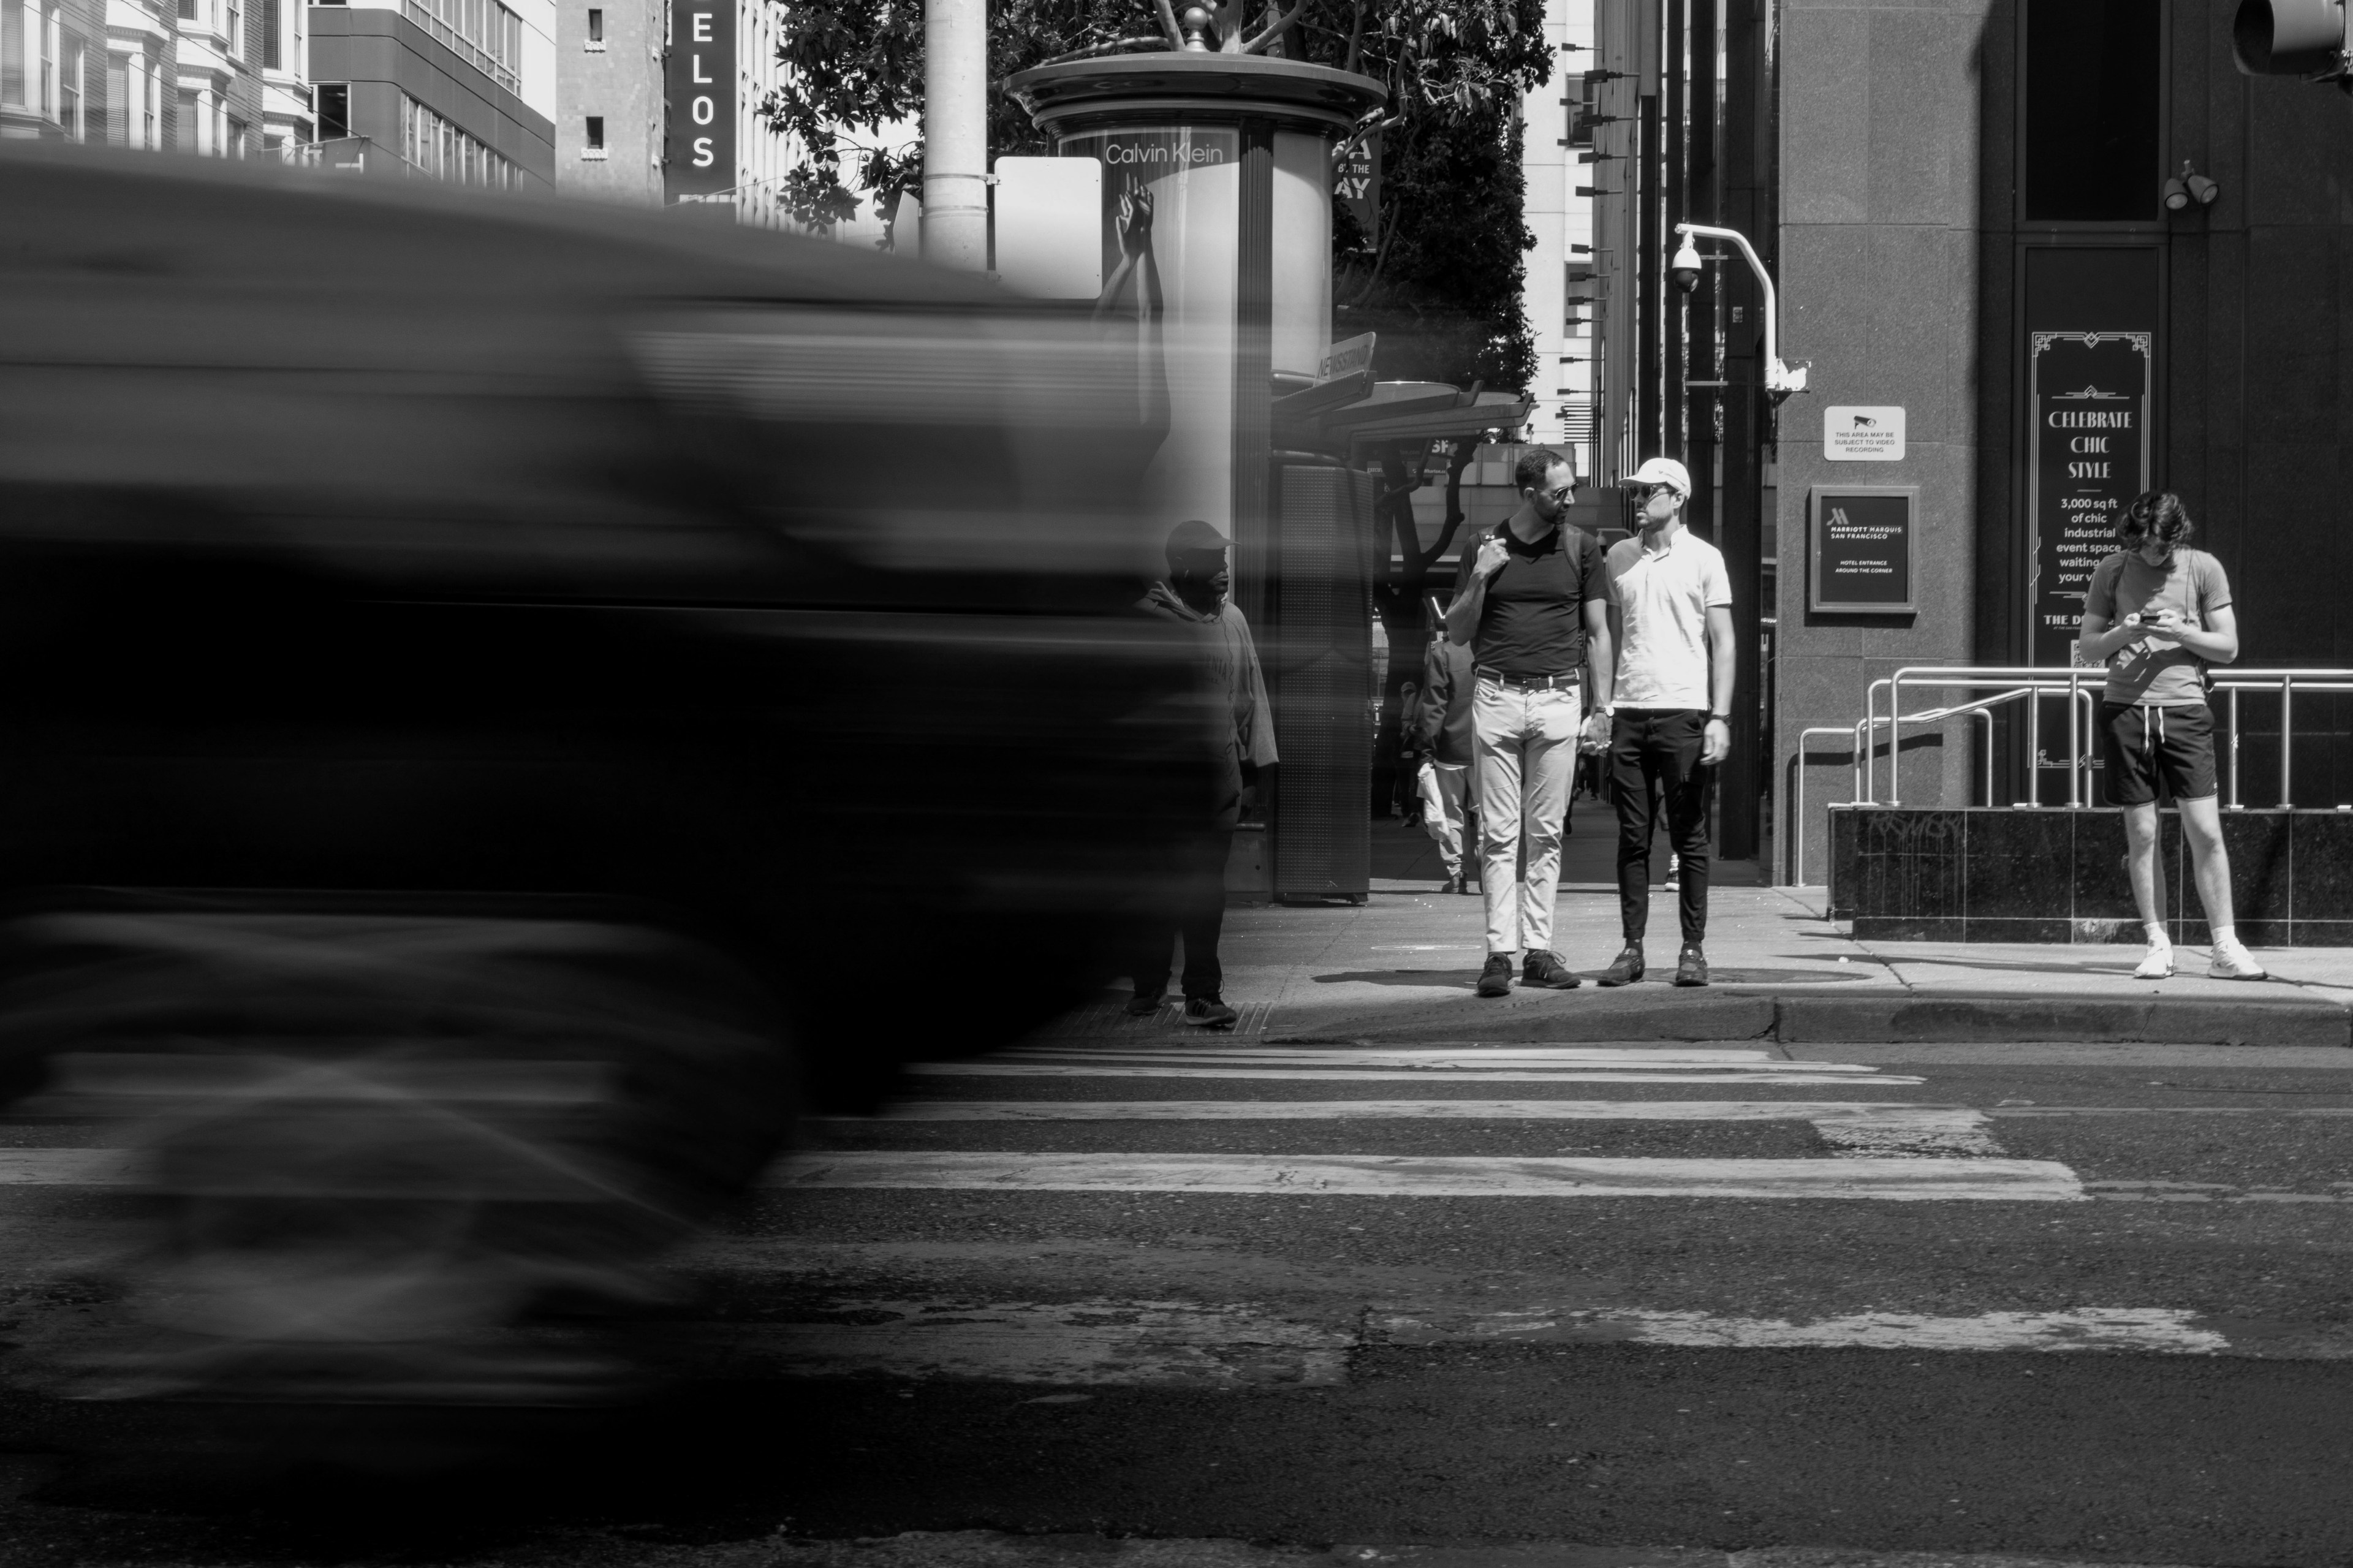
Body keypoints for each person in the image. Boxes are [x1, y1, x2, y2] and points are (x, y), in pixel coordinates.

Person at [1445, 447, 1616, 998]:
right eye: (1559, 492)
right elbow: (1458, 632)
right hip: (1496, 693)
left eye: (1572, 489)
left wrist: (1602, 709)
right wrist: (1479, 575)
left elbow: (1598, 634)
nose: (1571, 500)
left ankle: (1538, 950)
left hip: (1558, 697)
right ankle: (1500, 953)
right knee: (1499, 834)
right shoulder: (1484, 546)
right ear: (1528, 494)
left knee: (1545, 832)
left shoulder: (1581, 547)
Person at [2077, 491, 2265, 980]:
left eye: (2158, 548)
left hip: (2184, 709)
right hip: (2126, 709)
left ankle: (2225, 945)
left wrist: (2183, 632)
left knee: (2205, 829)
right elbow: (2088, 647)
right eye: (2140, 547)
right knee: (2142, 832)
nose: (2149, 556)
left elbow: (2227, 647)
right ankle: (2157, 942)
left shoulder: (2204, 568)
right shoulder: (2112, 569)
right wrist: (2125, 632)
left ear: (2176, 536)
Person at [1130, 518, 1279, 1027]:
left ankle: (1202, 991)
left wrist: (1256, 772)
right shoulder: (1147, 621)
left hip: (1217, 781)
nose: (1224, 572)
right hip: (1157, 787)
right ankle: (1147, 983)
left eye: (1226, 562)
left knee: (1205, 890)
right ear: (1183, 567)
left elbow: (1252, 695)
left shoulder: (1231, 619)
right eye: (1213, 564)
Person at [1598, 457, 1735, 988]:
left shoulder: (1706, 558)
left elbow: (1723, 642)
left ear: (1677, 497)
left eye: (1648, 491)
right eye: (1634, 490)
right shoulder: (1619, 557)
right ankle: (1632, 949)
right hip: (1630, 713)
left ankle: (1693, 949)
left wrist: (1719, 716)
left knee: (1688, 836)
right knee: (1632, 835)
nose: (1637, 498)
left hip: (1684, 711)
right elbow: (1608, 636)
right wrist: (1603, 709)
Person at [1415, 634, 1479, 895]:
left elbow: (1435, 705)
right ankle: (1489, 865)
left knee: (1452, 816)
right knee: (1490, 814)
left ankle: (1456, 873)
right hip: (1487, 748)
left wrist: (1426, 750)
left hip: (1449, 749)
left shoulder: (1443, 653)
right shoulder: (1495, 649)